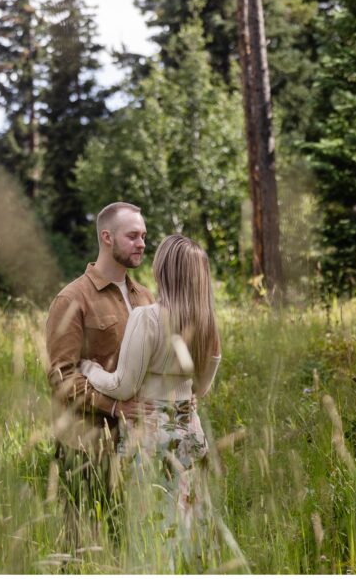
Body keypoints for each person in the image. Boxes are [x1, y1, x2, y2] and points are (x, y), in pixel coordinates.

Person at [78, 234, 222, 558]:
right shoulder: (208, 324)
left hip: (151, 439)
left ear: (163, 272)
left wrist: (88, 368)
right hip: (191, 435)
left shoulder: (147, 318)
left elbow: (122, 387)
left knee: (152, 533)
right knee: (190, 527)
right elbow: (201, 388)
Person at [45, 202, 154, 544]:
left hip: (141, 447)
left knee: (132, 544)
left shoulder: (146, 297)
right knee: (83, 549)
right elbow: (61, 376)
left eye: (144, 236)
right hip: (87, 448)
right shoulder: (72, 299)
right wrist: (115, 407)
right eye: (133, 236)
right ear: (107, 237)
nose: (142, 243)